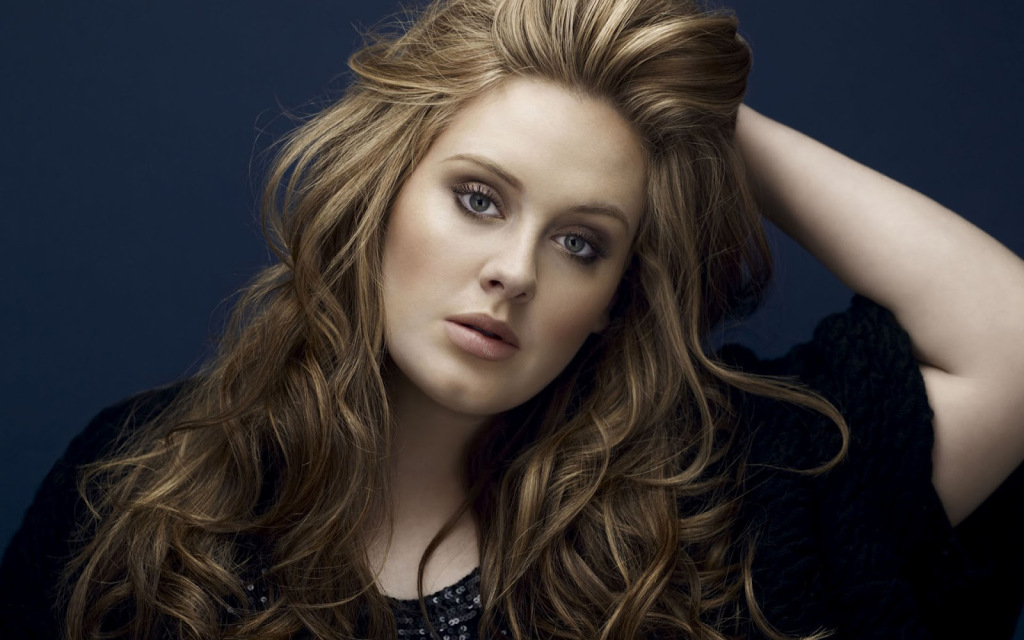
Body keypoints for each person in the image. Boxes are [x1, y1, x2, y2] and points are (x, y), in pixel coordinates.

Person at [2, 0, 1022, 638]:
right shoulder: (142, 487)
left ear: (615, 299)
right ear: (382, 192)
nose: (514, 272)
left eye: (581, 241)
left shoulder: (713, 511)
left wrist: (687, 108)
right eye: (479, 198)